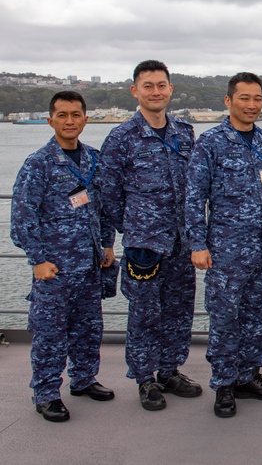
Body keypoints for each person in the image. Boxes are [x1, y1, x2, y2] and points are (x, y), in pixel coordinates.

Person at [185, 73, 262, 418]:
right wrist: (197, 244)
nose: (252, 105)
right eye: (244, 98)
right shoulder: (210, 143)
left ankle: (249, 375)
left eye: (257, 98)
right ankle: (225, 384)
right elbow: (194, 198)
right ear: (229, 101)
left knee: (259, 316)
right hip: (227, 252)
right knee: (226, 319)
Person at [100, 60, 201, 411]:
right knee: (144, 313)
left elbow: (195, 187)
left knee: (179, 309)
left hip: (182, 242)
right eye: (148, 86)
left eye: (161, 85)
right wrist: (135, 226)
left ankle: (170, 370)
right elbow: (108, 194)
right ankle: (145, 379)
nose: (156, 92)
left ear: (170, 89)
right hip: (145, 245)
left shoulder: (184, 133)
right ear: (135, 91)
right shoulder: (121, 138)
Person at [11, 92, 115, 422]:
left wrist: (107, 243)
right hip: (54, 268)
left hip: (88, 265)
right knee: (50, 335)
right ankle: (46, 393)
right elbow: (22, 217)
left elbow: (103, 208)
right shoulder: (38, 164)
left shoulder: (94, 160)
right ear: (50, 120)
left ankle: (83, 380)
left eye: (75, 115)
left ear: (85, 119)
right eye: (62, 115)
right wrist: (38, 260)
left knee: (88, 329)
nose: (69, 121)